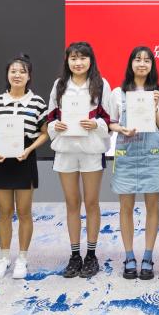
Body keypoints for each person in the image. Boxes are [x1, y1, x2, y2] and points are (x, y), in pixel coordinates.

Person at [46, 41, 114, 279]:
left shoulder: (101, 84)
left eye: (83, 58)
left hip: (91, 150)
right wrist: (56, 125)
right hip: (65, 150)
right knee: (72, 203)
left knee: (91, 203)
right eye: (73, 58)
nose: (78, 62)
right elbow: (50, 117)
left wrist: (96, 124)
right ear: (67, 61)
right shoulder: (59, 85)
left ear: (90, 60)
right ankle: (75, 255)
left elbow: (110, 119)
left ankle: (91, 255)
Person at [0, 55, 49, 280]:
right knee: (4, 212)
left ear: (29, 76)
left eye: (22, 71)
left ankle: (22, 258)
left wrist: (30, 149)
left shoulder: (37, 102)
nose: (17, 75)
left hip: (24, 159)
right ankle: (4, 258)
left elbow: (45, 133)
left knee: (24, 212)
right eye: (13, 71)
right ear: (7, 75)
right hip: (1, 160)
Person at [108, 47, 159, 281]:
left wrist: (154, 107)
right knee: (126, 206)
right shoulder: (117, 93)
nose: (142, 64)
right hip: (127, 153)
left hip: (150, 154)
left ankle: (147, 256)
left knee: (152, 206)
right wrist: (121, 129)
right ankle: (129, 256)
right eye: (137, 59)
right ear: (131, 64)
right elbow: (111, 122)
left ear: (152, 65)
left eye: (147, 60)